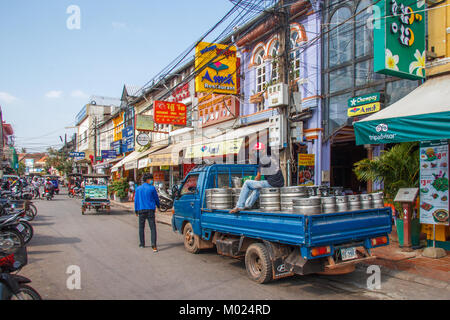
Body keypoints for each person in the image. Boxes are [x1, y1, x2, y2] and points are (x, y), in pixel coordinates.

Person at [230, 145, 285, 214]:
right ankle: (248, 205)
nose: (256, 153)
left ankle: (239, 206)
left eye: (257, 151)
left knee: (247, 183)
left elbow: (258, 177)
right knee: (258, 187)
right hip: (280, 183)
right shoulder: (272, 157)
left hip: (271, 183)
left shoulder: (263, 159)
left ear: (263, 150)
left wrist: (252, 185)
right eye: (256, 151)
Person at [134, 173, 160, 252]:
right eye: (151, 179)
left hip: (141, 210)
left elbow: (136, 201)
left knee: (141, 227)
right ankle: (154, 245)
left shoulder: (138, 189)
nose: (152, 181)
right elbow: (156, 198)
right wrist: (158, 206)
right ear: (148, 180)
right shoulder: (152, 188)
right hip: (150, 210)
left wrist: (136, 210)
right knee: (152, 228)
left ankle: (142, 243)